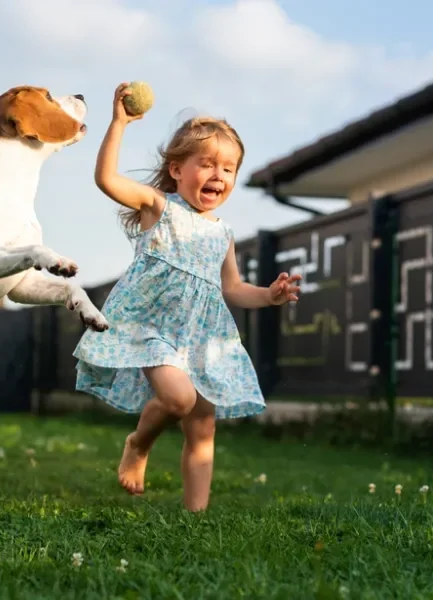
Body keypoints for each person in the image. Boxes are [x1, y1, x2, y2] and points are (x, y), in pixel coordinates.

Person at [73, 83, 303, 512]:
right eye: (208, 164)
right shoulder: (159, 207)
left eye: (229, 169)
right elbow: (105, 178)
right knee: (178, 399)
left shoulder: (222, 233)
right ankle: (139, 443)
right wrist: (119, 124)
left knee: (202, 427)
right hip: (152, 328)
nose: (219, 175)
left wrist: (269, 296)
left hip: (203, 339)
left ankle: (195, 517)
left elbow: (233, 288)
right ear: (177, 170)